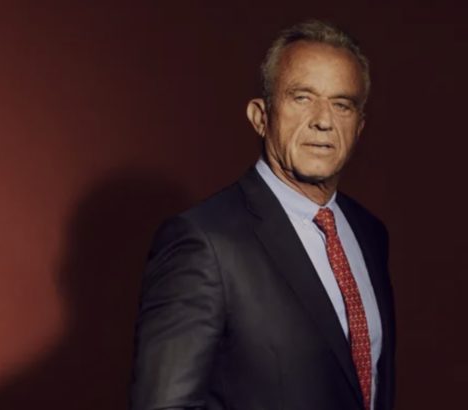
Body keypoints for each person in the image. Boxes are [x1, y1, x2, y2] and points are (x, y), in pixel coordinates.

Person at [130, 20, 395, 410]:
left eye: (342, 104)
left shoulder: (369, 233)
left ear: (359, 126)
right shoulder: (204, 242)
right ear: (260, 116)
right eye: (301, 98)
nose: (323, 121)